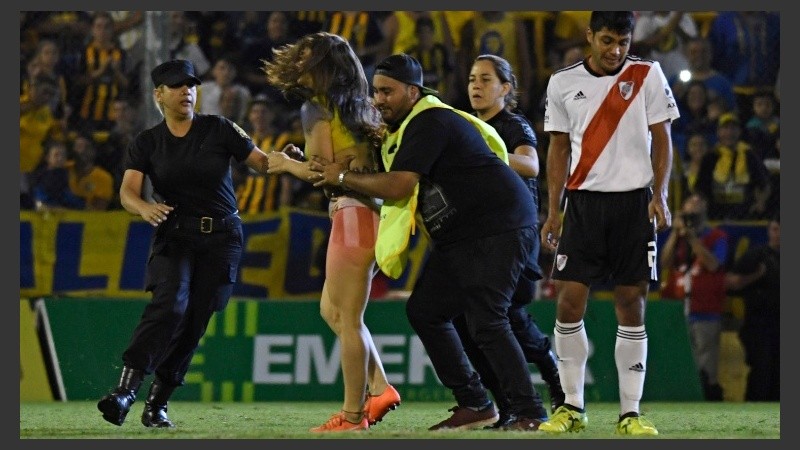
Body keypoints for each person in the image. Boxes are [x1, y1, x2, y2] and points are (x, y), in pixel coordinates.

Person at [310, 53, 549, 431]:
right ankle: (475, 403)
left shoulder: (429, 120)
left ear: (412, 91)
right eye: (375, 91)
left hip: (498, 226)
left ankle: (530, 412)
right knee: (426, 310)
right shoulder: (406, 129)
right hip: (461, 236)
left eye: (388, 91)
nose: (378, 100)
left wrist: (340, 176)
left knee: (487, 320)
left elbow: (398, 185)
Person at [97, 59, 275, 428]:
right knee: (170, 302)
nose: (187, 91)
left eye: (191, 85)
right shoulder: (147, 142)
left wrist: (288, 161)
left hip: (222, 237)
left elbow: (262, 163)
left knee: (194, 321)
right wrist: (144, 207)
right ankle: (125, 391)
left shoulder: (220, 128)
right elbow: (128, 193)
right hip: (175, 234)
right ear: (158, 95)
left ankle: (157, 403)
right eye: (177, 85)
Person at [538, 12, 679, 436]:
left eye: (622, 41)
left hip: (634, 205)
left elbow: (663, 138)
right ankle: (571, 408)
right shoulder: (562, 82)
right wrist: (554, 209)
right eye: (606, 40)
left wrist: (660, 194)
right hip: (582, 206)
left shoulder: (647, 74)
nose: (615, 50)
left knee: (631, 304)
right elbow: (558, 149)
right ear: (589, 37)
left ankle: (630, 412)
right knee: (568, 301)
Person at [262, 32, 399, 433]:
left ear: (323, 65)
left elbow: (321, 172)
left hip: (352, 214)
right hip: (370, 214)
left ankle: (354, 416)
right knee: (331, 311)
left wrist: (286, 165)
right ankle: (380, 386)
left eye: (307, 55)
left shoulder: (316, 108)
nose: (299, 61)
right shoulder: (359, 107)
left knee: (349, 319)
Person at [457, 54, 564, 427]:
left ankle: (547, 372)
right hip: (477, 234)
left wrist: (484, 155)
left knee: (501, 316)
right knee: (482, 318)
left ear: (505, 88)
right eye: (472, 78)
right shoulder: (465, 126)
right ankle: (507, 403)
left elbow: (530, 165)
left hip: (514, 235)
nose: (476, 85)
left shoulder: (513, 125)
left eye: (486, 79)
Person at [659, 193, 728, 401]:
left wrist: (692, 238)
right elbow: (664, 262)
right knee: (680, 361)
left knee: (706, 365)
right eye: (689, 209)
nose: (692, 216)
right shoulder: (678, 239)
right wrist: (675, 233)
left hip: (706, 311)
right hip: (678, 309)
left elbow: (713, 264)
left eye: (697, 209)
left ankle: (708, 399)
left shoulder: (717, 237)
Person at [725, 214, 780, 402]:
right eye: (775, 229)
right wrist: (755, 275)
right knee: (761, 369)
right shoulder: (757, 256)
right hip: (759, 324)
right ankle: (754, 408)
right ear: (769, 231)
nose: (778, 234)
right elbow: (731, 282)